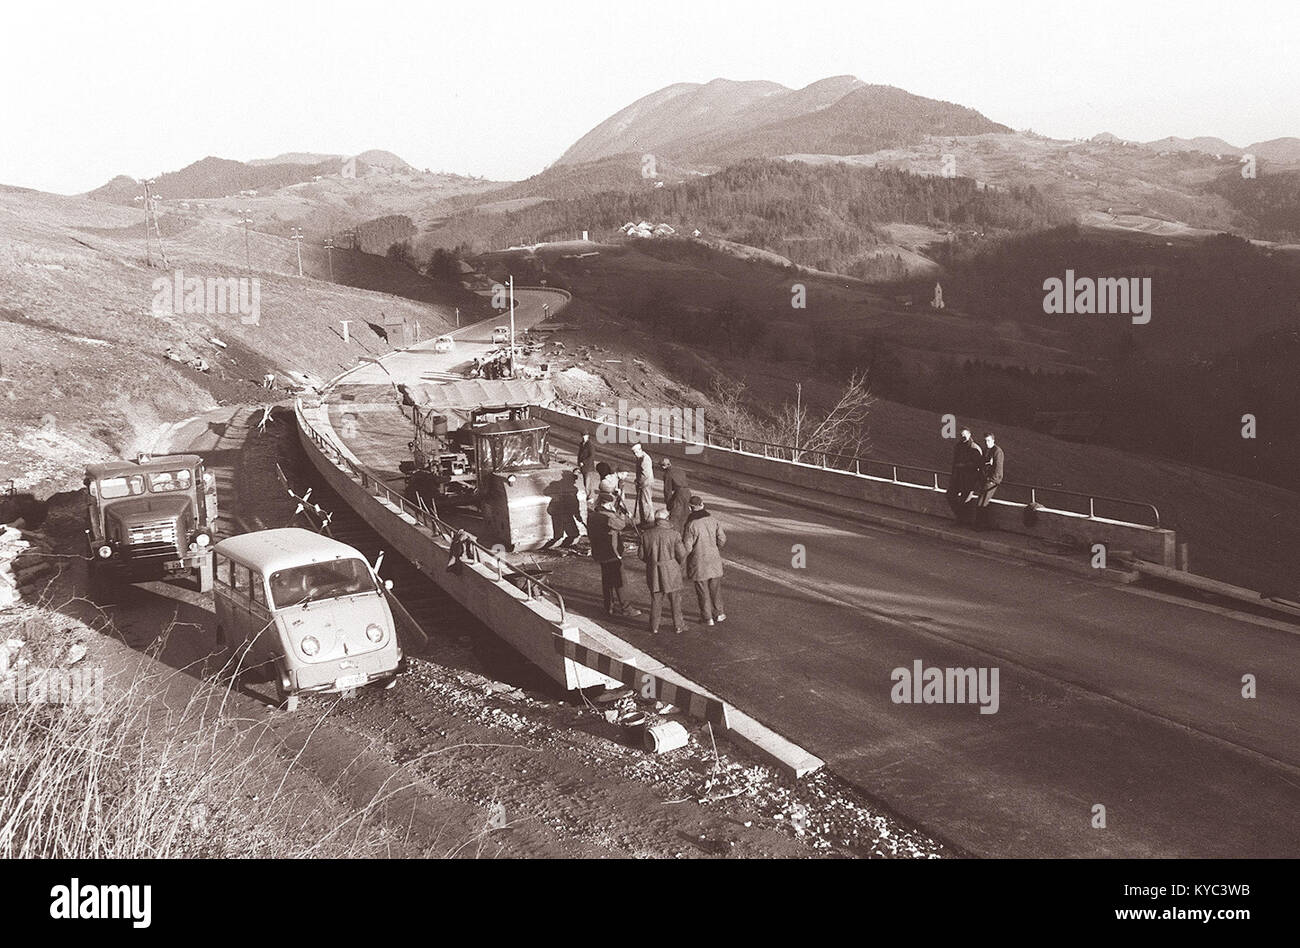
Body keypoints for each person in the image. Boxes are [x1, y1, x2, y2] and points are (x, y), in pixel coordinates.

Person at [587, 498, 639, 617]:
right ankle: (626, 608)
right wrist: (623, 515)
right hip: (612, 552)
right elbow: (621, 525)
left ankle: (609, 607)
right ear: (607, 504)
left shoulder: (593, 516)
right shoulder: (608, 517)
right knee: (620, 581)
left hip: (599, 552)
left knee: (607, 580)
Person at [681, 494, 726, 626]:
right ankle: (719, 613)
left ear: (691, 508)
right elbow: (722, 539)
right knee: (715, 588)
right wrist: (714, 547)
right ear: (702, 504)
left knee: (702, 591)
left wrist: (681, 558)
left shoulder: (691, 524)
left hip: (698, 562)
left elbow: (687, 546)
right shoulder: (713, 520)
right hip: (714, 560)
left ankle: (707, 618)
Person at [640, 509, 686, 634]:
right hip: (671, 570)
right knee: (675, 599)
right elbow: (682, 554)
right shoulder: (674, 534)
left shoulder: (646, 534)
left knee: (656, 599)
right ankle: (678, 625)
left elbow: (641, 555)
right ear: (667, 519)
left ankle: (654, 626)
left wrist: (652, 562)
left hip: (654, 570)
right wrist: (676, 564)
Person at [947, 427, 983, 524]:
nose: (962, 437)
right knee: (949, 495)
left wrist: (963, 465)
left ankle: (961, 520)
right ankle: (961, 518)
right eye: (961, 435)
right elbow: (954, 462)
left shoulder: (974, 448)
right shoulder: (958, 447)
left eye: (964, 435)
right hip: (958, 478)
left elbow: (978, 464)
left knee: (965, 500)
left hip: (969, 479)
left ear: (969, 434)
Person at [974, 433, 1005, 531]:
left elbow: (998, 468)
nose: (987, 443)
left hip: (991, 481)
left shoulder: (997, 451)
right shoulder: (986, 450)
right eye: (985, 441)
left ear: (993, 440)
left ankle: (980, 526)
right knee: (982, 501)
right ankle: (982, 524)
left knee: (982, 502)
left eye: (988, 441)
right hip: (984, 480)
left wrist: (992, 481)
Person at [661, 458, 691, 530]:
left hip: (679, 493)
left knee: (675, 514)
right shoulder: (679, 470)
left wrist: (668, 504)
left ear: (663, 466)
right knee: (685, 513)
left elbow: (667, 491)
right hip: (688, 492)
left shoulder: (667, 474)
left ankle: (675, 532)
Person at [631, 443, 655, 527]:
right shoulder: (640, 458)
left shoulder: (645, 459)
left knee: (646, 502)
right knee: (641, 502)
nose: (635, 455)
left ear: (640, 450)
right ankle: (643, 521)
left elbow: (645, 474)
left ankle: (649, 521)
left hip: (646, 484)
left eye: (636, 452)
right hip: (642, 483)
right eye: (634, 453)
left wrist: (639, 482)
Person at [577, 433, 599, 500]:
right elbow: (579, 454)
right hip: (583, 467)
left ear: (588, 436)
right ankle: (588, 497)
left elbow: (592, 456)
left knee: (588, 484)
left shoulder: (590, 445)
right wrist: (579, 463)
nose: (584, 437)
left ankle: (590, 497)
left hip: (589, 467)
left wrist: (583, 462)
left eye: (585, 436)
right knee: (585, 483)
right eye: (583, 436)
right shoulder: (582, 444)